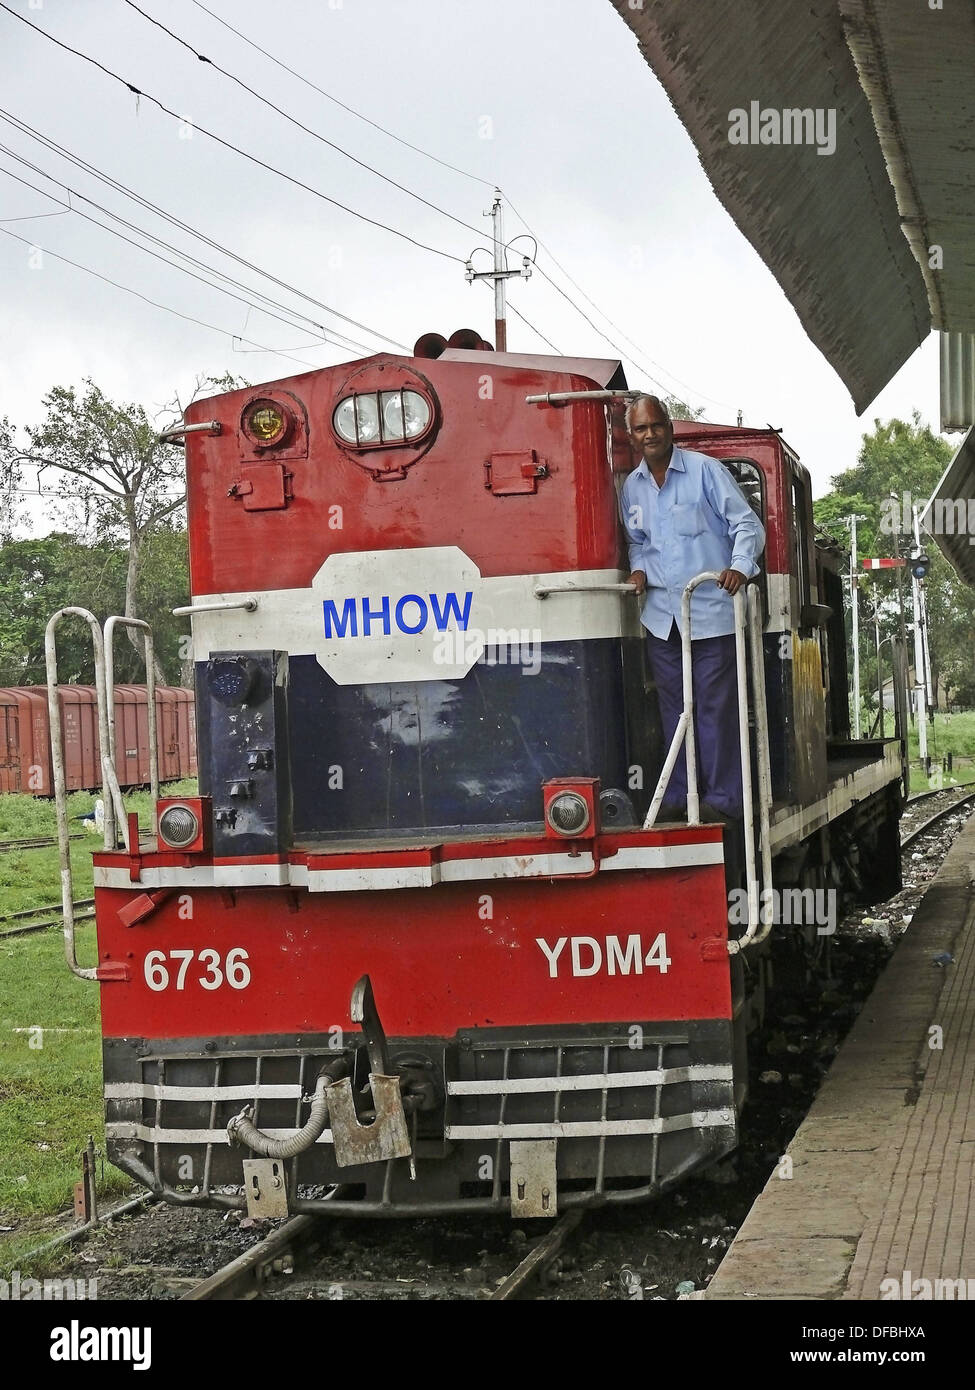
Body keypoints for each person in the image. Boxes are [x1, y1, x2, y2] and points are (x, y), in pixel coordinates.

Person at [620, 395, 765, 825]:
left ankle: (723, 797)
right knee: (673, 706)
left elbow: (747, 525)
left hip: (711, 612)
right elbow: (639, 543)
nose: (650, 435)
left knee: (715, 706)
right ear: (633, 436)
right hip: (663, 617)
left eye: (656, 426)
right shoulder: (633, 486)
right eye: (641, 429)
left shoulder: (705, 471)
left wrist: (739, 567)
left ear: (669, 427)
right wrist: (639, 572)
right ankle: (682, 794)